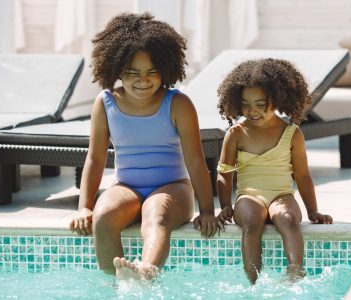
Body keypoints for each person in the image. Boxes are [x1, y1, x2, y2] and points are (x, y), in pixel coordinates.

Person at [68, 12, 218, 281]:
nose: (143, 80)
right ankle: (117, 284)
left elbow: (196, 161)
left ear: (165, 69)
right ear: (116, 71)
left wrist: (207, 210)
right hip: (126, 187)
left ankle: (146, 273)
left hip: (173, 188)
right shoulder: (105, 103)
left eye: (152, 72)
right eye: (132, 73)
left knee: (155, 215)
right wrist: (85, 207)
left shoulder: (178, 104)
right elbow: (95, 158)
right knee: (103, 217)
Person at [215, 58, 334, 284]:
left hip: (282, 195)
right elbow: (225, 172)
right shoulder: (236, 133)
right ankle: (254, 281)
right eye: (245, 104)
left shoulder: (292, 133)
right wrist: (225, 206)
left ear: (278, 99)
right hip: (249, 196)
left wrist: (313, 211)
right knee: (252, 221)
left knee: (288, 219)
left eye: (261, 104)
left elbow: (302, 176)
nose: (253, 111)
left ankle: (295, 271)